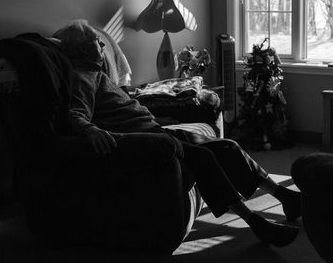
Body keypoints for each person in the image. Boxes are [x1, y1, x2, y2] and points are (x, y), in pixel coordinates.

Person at [54, 20, 302, 247]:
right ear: (84, 50)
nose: (102, 46)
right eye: (97, 42)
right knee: (203, 158)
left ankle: (285, 197)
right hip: (147, 140)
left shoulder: (97, 74)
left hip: (155, 129)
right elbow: (75, 112)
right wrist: (89, 129)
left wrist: (158, 118)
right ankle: (255, 222)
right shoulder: (82, 77)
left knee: (227, 146)